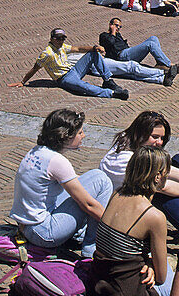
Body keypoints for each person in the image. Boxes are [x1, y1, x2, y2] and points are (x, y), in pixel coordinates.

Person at [11, 108, 112, 259]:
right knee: (102, 181)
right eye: (80, 133)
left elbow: (74, 182)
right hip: (44, 232)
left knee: (94, 180)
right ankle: (92, 248)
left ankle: (79, 233)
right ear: (66, 136)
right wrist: (116, 227)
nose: (83, 136)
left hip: (26, 226)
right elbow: (88, 205)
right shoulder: (57, 161)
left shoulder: (37, 151)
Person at [90, 146, 175, 296]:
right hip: (129, 294)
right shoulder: (154, 216)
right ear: (158, 176)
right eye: (166, 172)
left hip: (102, 281)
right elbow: (161, 276)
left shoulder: (117, 193)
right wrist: (152, 265)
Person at [11, 28, 131, 100]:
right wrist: (23, 82)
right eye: (58, 38)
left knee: (93, 53)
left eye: (63, 38)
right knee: (85, 87)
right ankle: (113, 93)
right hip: (64, 79)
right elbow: (34, 69)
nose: (61, 41)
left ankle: (108, 80)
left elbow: (78, 49)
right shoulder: (47, 53)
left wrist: (95, 47)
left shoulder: (62, 46)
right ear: (52, 39)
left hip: (73, 70)